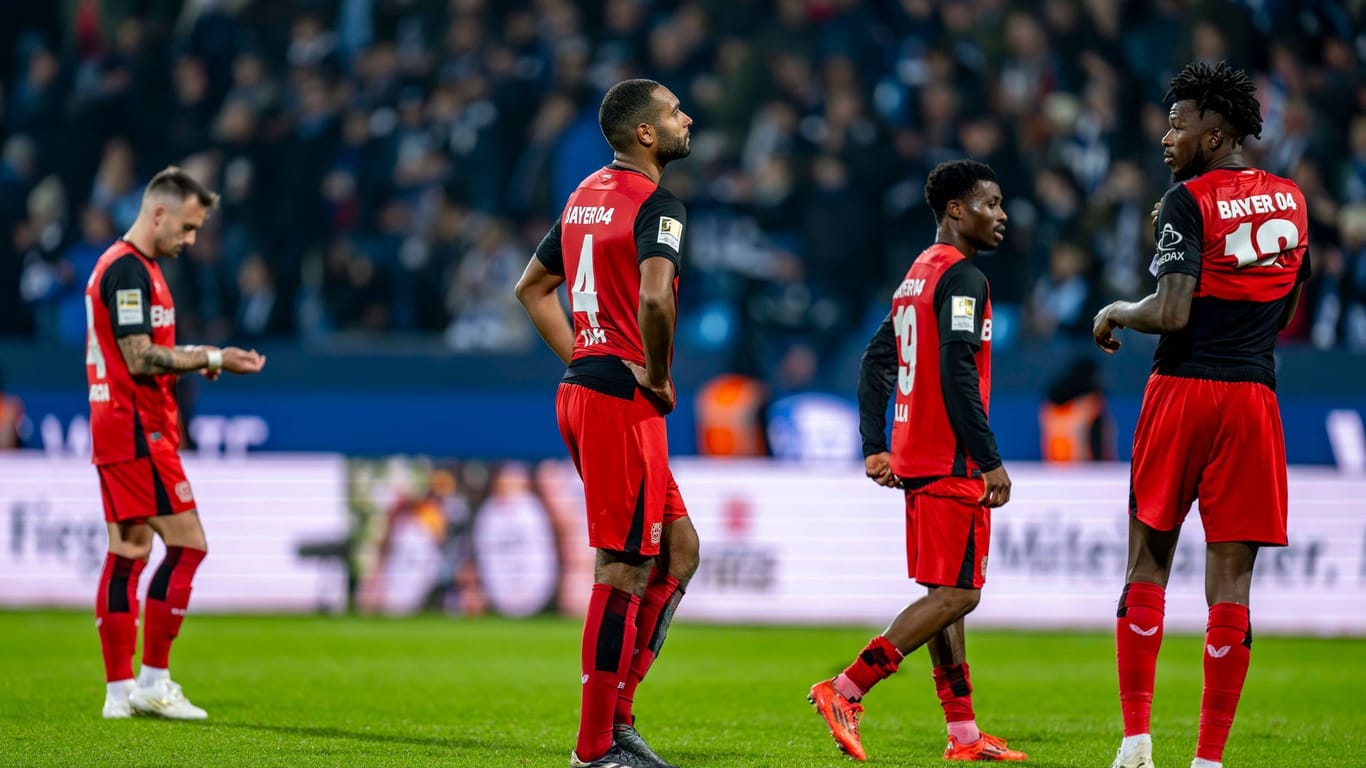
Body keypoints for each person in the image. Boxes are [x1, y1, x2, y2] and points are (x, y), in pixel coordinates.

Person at [1092, 62, 1310, 768]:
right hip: (1253, 395)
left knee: (1148, 559)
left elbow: (1172, 310)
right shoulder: (1294, 199)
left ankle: (1135, 743)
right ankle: (1210, 759)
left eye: (1180, 124)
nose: (1168, 135)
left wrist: (1118, 309)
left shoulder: (1188, 200)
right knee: (1231, 583)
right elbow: (1289, 300)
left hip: (1184, 389)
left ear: (1214, 135)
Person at [808, 159, 1026, 762]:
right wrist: (989, 460)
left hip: (915, 454)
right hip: (949, 458)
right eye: (991, 203)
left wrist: (875, 444)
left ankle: (963, 735)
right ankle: (845, 687)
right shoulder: (962, 278)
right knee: (959, 596)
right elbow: (958, 371)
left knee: (944, 597)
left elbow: (875, 361)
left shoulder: (916, 277)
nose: (1002, 216)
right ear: (956, 210)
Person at [514, 79, 701, 768]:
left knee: (678, 551)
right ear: (645, 134)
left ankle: (617, 718)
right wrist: (654, 372)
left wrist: (584, 356)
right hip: (621, 399)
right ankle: (593, 751)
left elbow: (530, 289)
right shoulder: (659, 204)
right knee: (622, 567)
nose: (688, 119)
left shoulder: (584, 196)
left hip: (589, 389)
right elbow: (656, 295)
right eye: (675, 112)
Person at [86, 167, 266, 720]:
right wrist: (212, 357)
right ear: (158, 212)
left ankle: (120, 693)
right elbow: (139, 358)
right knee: (188, 545)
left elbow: (138, 350)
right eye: (187, 228)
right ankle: (153, 682)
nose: (190, 241)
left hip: (120, 426)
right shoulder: (130, 272)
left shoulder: (134, 270)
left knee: (129, 552)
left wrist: (188, 357)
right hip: (138, 430)